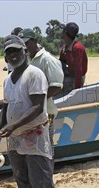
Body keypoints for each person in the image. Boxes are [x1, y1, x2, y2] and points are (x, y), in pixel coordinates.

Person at [0, 35, 54, 188]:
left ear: (24, 51)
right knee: (22, 181)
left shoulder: (34, 74)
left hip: (34, 136)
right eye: (9, 52)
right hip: (15, 139)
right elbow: (7, 106)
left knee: (39, 183)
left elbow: (37, 106)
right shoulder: (8, 79)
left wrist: (14, 125)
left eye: (16, 50)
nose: (13, 55)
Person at [19, 28, 64, 159]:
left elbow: (56, 86)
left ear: (34, 41)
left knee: (46, 150)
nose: (25, 48)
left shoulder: (47, 60)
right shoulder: (26, 60)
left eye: (27, 44)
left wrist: (37, 100)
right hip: (29, 114)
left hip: (45, 113)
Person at [58, 22, 88, 96]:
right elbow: (60, 64)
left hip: (76, 78)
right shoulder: (65, 48)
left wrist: (76, 91)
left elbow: (78, 70)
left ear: (65, 33)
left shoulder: (77, 48)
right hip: (68, 75)